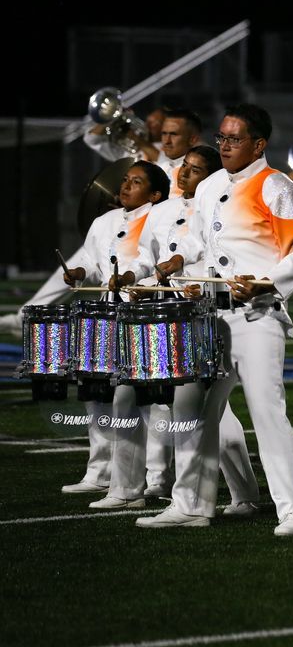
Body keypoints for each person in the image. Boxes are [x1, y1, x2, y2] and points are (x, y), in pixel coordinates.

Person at [160, 104, 293, 537]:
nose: (224, 146)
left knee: (268, 413)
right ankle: (191, 503)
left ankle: (292, 511)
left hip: (257, 316)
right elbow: (199, 239)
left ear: (258, 144)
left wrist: (266, 283)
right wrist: (179, 260)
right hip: (214, 315)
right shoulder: (210, 186)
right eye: (221, 138)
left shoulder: (277, 187)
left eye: (233, 139)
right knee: (193, 410)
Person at [125, 146, 261, 526]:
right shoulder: (160, 211)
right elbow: (147, 258)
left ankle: (189, 505)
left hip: (208, 317)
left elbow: (214, 256)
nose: (184, 174)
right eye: (184, 167)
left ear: (212, 178)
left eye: (195, 169)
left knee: (190, 409)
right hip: (176, 319)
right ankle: (243, 497)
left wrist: (196, 283)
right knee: (214, 416)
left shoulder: (216, 208)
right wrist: (140, 280)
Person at [59, 160, 171, 502]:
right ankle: (100, 470)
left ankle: (157, 477)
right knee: (98, 393)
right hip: (107, 314)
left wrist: (135, 280)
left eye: (136, 182)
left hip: (144, 314)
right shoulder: (104, 221)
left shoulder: (160, 217)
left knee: (152, 401)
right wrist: (79, 272)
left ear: (154, 194)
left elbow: (156, 261)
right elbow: (95, 264)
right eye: (125, 180)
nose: (125, 186)